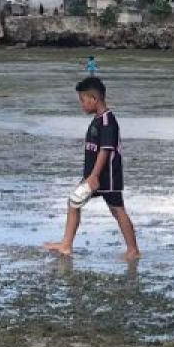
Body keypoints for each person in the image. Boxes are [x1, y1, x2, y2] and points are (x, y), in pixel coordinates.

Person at [43, 77, 139, 261]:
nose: (81, 105)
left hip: (107, 176)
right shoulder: (97, 120)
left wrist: (94, 176)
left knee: (117, 210)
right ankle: (66, 244)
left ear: (94, 99)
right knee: (74, 202)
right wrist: (89, 176)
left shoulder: (107, 121)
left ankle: (133, 249)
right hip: (92, 176)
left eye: (83, 100)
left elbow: (105, 150)